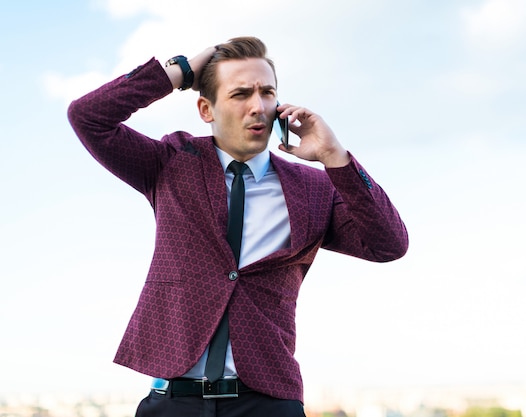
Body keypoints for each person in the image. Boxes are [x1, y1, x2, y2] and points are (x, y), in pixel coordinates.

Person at [68, 36, 409, 417]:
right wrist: (179, 71)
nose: (257, 106)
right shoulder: (170, 163)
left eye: (267, 93)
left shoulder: (314, 188)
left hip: (267, 401)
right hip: (173, 403)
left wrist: (335, 158)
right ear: (205, 109)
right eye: (240, 94)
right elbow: (88, 116)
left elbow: (388, 244)